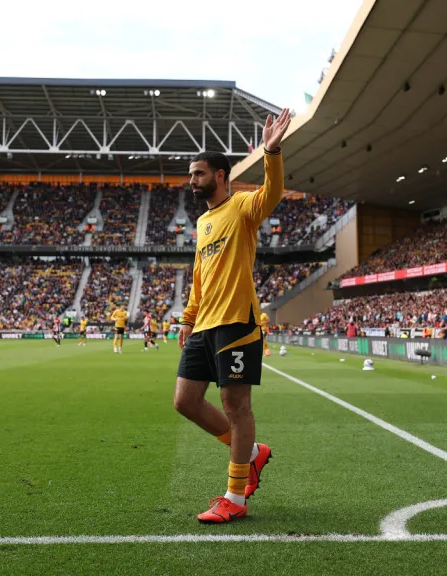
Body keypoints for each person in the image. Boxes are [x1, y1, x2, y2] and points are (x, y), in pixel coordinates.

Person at [174, 108, 290, 524]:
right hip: (204, 326)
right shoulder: (203, 222)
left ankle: (235, 497)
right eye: (191, 175)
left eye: (199, 174)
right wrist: (187, 318)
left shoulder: (241, 207)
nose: (193, 181)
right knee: (185, 402)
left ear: (220, 175)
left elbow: (272, 194)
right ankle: (251, 451)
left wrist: (271, 152)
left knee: (236, 406)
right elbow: (199, 278)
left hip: (238, 324)